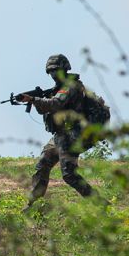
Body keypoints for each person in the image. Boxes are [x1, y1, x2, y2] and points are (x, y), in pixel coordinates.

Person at [20, 54, 95, 209]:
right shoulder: (58, 89)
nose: (54, 74)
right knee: (42, 165)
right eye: (51, 72)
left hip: (73, 135)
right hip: (61, 136)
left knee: (69, 175)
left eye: (57, 70)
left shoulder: (70, 87)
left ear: (65, 69)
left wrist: (33, 100)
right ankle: (33, 204)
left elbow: (55, 104)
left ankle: (100, 204)